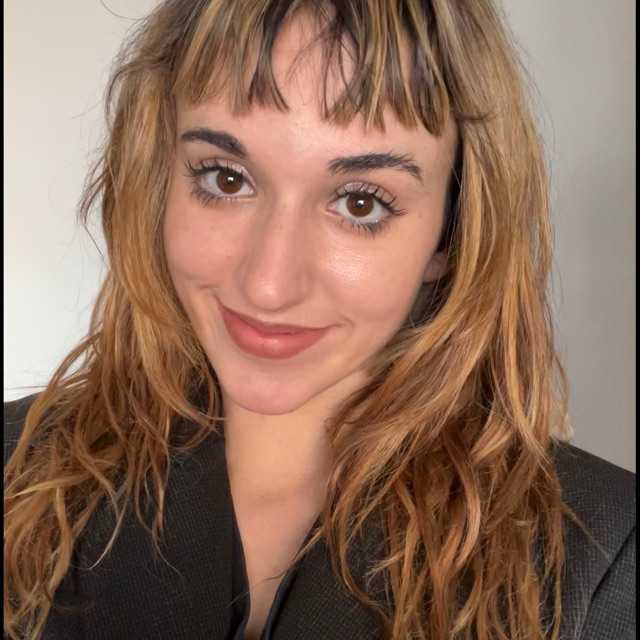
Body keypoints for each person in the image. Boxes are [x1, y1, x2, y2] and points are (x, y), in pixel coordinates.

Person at [4, 1, 635, 639]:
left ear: (452, 232)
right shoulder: (13, 472)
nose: (269, 284)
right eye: (226, 179)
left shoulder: (605, 560)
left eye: (360, 203)